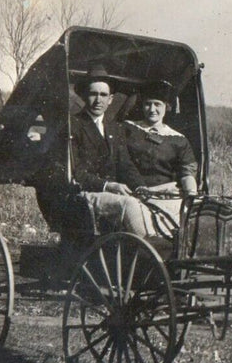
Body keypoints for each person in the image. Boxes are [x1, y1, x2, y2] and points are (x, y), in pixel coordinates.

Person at [34, 65, 153, 240]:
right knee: (130, 204)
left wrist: (140, 186)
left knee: (150, 203)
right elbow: (76, 172)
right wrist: (108, 185)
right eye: (93, 94)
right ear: (83, 96)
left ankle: (152, 247)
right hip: (84, 196)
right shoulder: (71, 126)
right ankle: (150, 250)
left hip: (109, 195)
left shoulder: (115, 128)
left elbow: (125, 165)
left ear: (111, 99)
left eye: (103, 95)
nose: (98, 100)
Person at [121, 80, 199, 232]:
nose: (152, 109)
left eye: (157, 104)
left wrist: (191, 195)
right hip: (133, 194)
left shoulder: (178, 139)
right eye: (147, 104)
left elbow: (187, 171)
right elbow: (121, 162)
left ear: (167, 107)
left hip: (166, 195)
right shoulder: (127, 129)